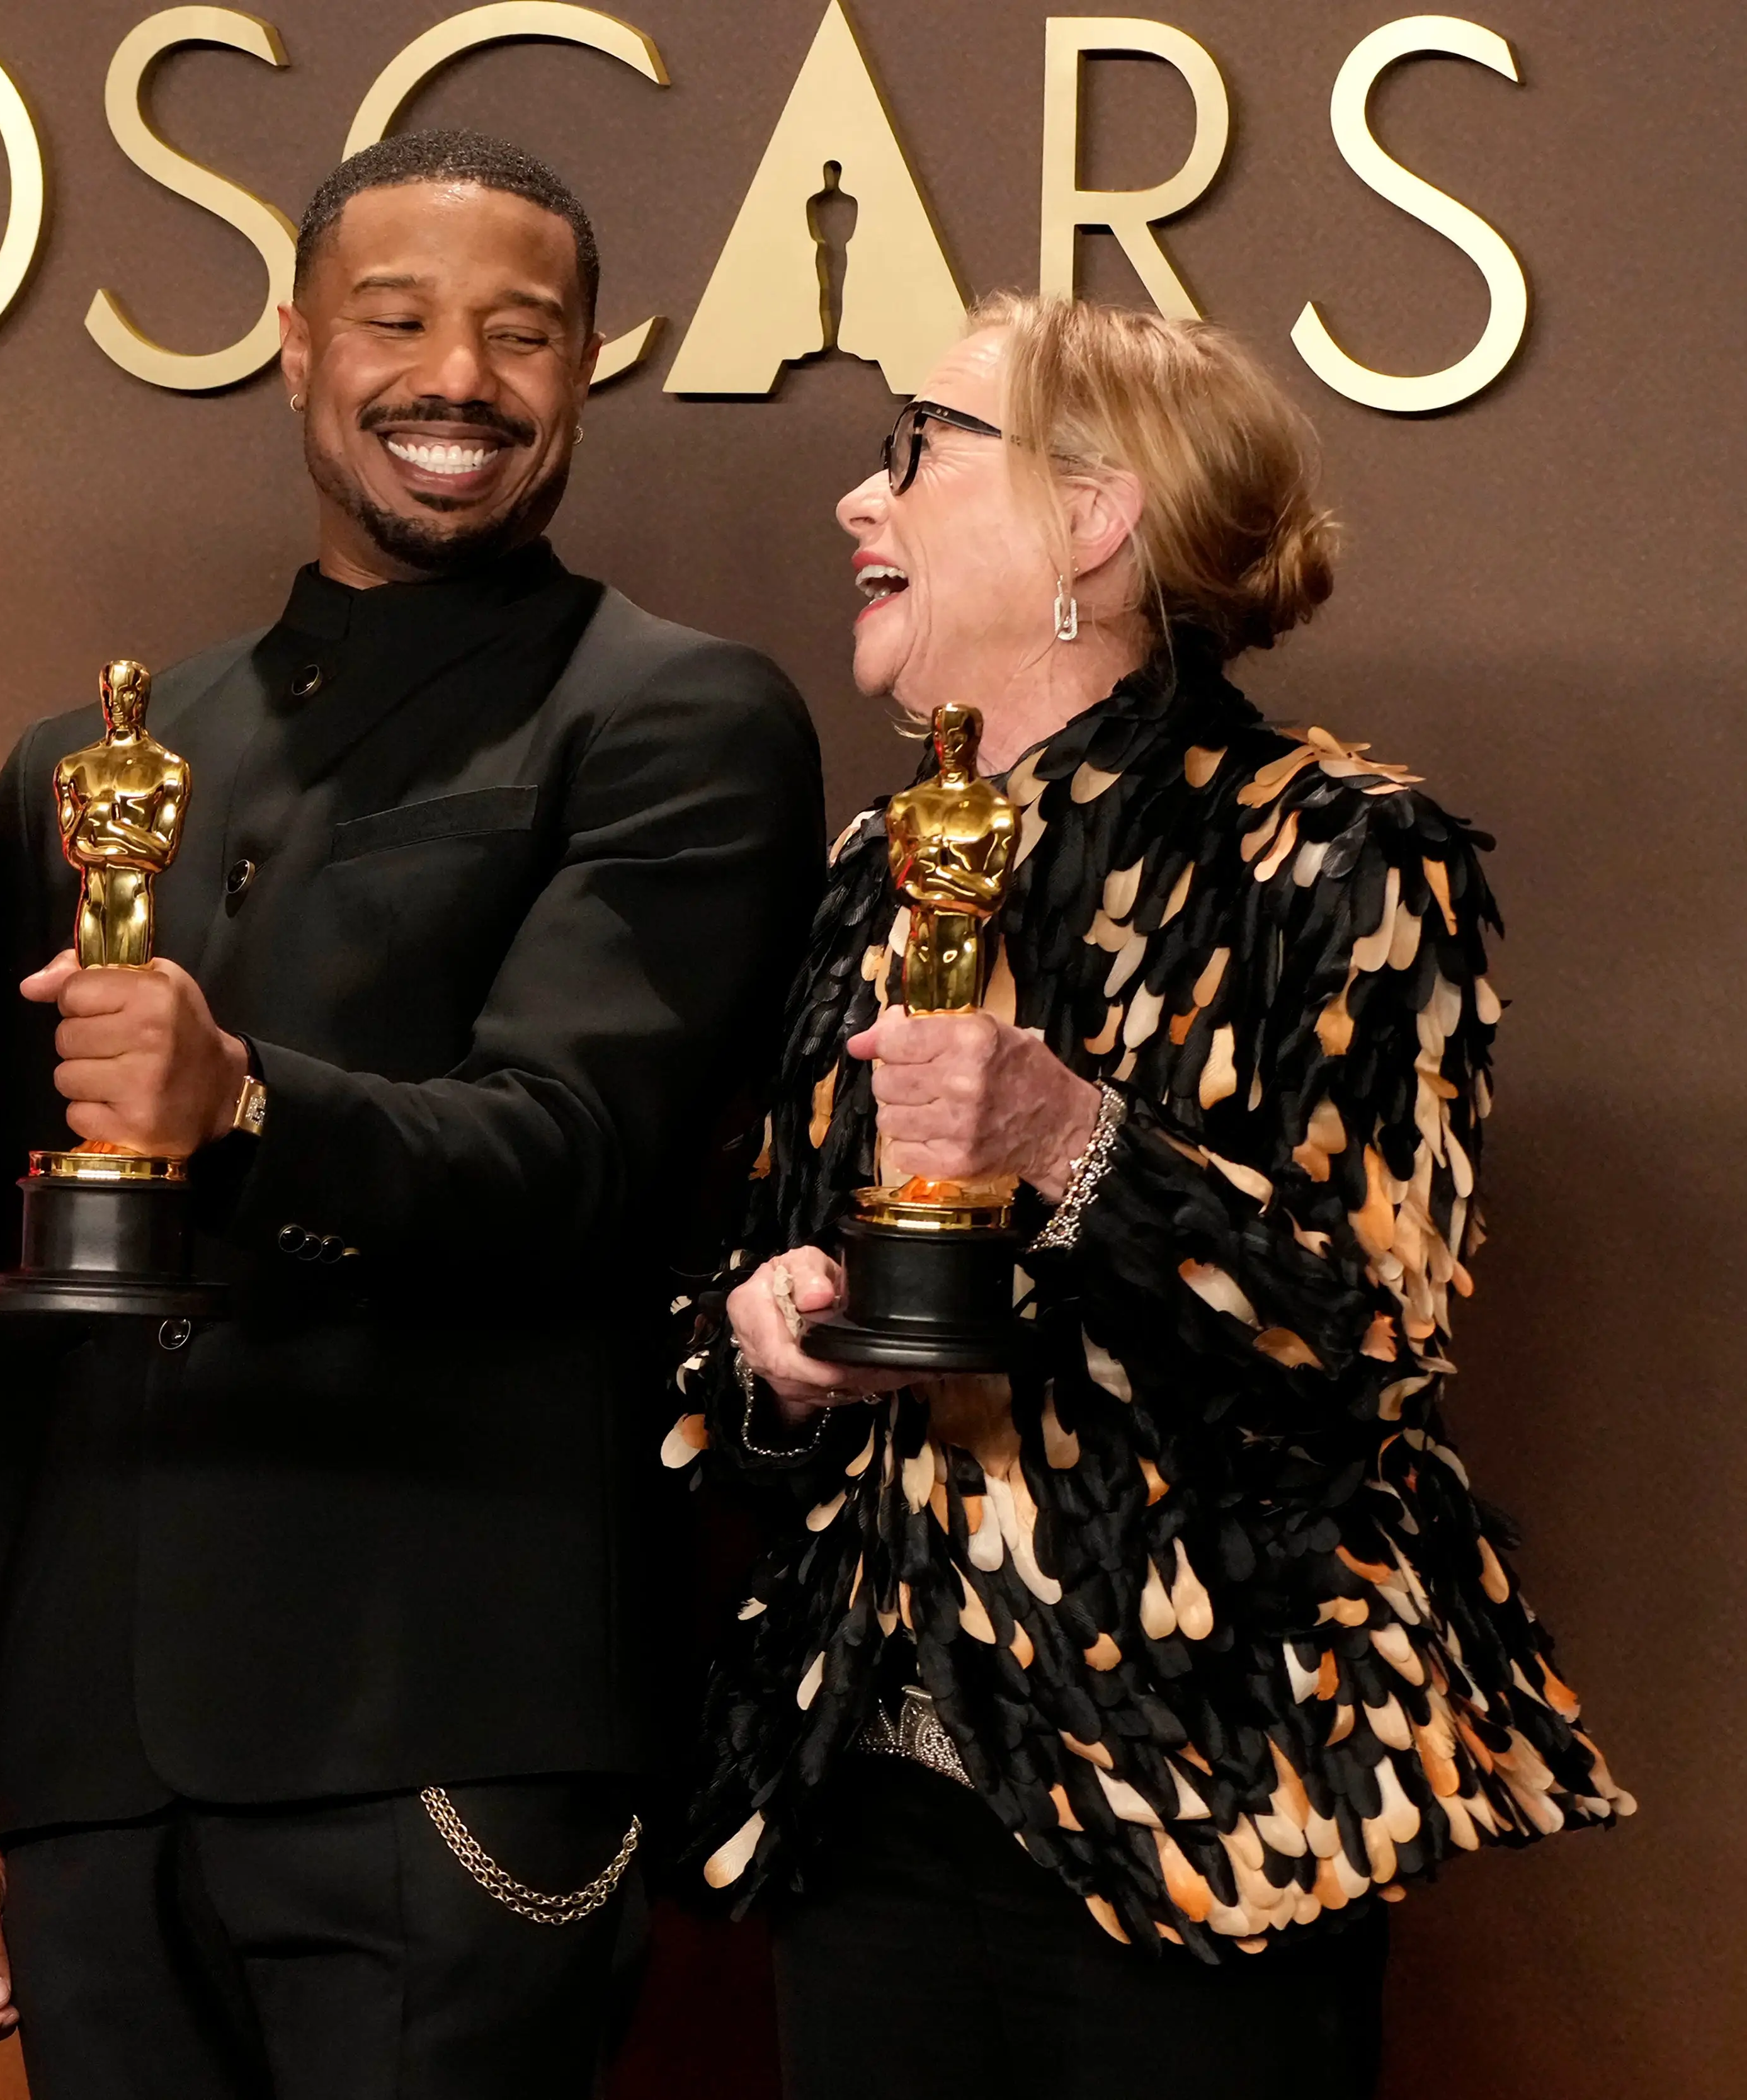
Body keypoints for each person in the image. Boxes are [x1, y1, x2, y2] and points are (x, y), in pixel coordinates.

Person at [0, 131, 826, 2098]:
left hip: (445, 1733)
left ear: (586, 370)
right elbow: (0, 1315)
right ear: (297, 346)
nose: (455, 379)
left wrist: (238, 1105)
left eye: (519, 333)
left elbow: (575, 1158)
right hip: (89, 1768)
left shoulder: (676, 716)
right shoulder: (79, 772)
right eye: (395, 321)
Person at [674, 294, 1634, 2100]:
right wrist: (769, 1346)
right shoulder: (876, 871)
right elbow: (752, 1306)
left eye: (916, 450)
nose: (858, 499)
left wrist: (1069, 1141)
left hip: (1207, 1813)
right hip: (866, 1795)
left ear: (1094, 517)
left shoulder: (1339, 852)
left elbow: (1365, 1347)